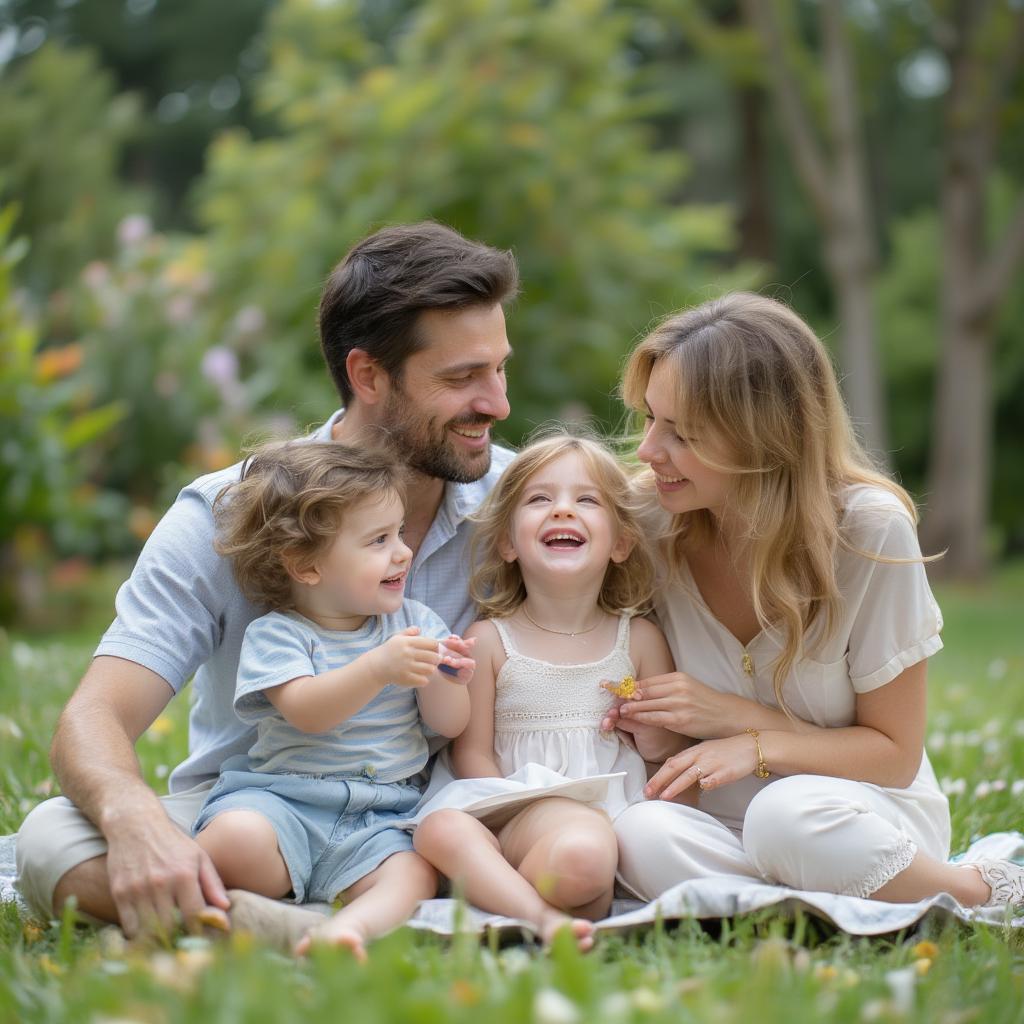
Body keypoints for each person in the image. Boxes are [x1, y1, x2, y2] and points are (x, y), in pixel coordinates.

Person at [15, 221, 520, 939]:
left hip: (425, 820)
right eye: (463, 377)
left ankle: (239, 918)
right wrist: (133, 822)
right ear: (368, 375)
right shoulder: (230, 512)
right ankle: (274, 914)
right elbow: (93, 718)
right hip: (255, 806)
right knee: (48, 842)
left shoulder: (521, 503)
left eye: (500, 368)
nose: (498, 404)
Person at [604, 292, 1024, 913]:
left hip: (850, 809)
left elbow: (894, 756)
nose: (648, 451)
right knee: (639, 831)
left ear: (762, 438)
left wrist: (743, 731)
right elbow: (530, 514)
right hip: (718, 826)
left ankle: (982, 889)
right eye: (649, 419)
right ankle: (813, 907)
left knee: (785, 816)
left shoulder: (868, 532)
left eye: (682, 434)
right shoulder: (647, 522)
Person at [191, 441, 473, 959]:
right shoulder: (280, 634)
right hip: (284, 803)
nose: (403, 552)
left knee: (414, 873)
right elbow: (307, 710)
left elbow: (449, 725)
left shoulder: (415, 625)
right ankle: (189, 897)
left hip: (382, 815)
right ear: (306, 566)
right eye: (377, 541)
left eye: (400, 533)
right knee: (236, 841)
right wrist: (377, 668)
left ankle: (345, 931)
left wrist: (446, 678)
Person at [410, 433, 690, 949]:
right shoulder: (490, 639)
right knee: (440, 828)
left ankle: (528, 899)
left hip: (600, 819)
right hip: (511, 813)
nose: (563, 511)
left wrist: (651, 736)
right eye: (539, 500)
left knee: (582, 860)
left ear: (622, 542)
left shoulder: (640, 639)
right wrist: (517, 810)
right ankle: (541, 904)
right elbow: (472, 756)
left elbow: (664, 751)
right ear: (508, 542)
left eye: (587, 500)